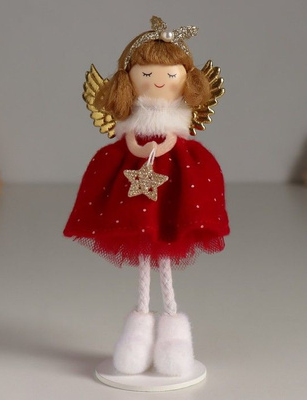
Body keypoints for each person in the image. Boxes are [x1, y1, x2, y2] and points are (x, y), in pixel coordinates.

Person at [64, 16, 229, 376]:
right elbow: (128, 144)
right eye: (148, 73)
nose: (159, 80)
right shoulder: (127, 128)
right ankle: (138, 333)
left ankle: (173, 335)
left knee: (165, 258)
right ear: (129, 79)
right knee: (143, 262)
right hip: (134, 189)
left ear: (187, 79)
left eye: (170, 74)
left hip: (171, 186)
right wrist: (137, 148)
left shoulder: (182, 131)